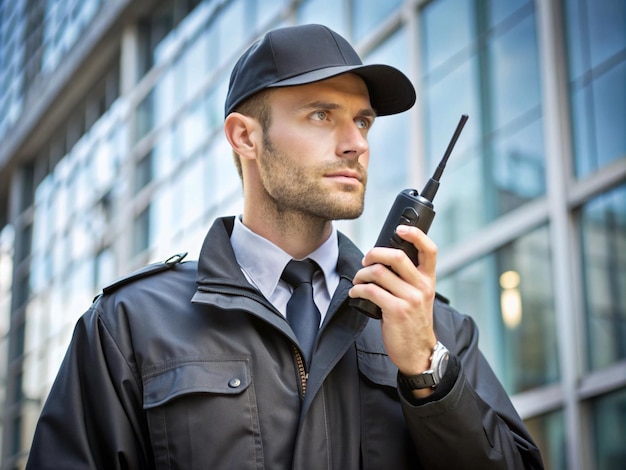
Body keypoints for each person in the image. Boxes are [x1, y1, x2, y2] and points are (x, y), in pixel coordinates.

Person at [27, 24, 544, 469]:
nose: (356, 143)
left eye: (362, 120)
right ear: (245, 137)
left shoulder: (434, 327)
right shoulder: (129, 326)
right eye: (322, 115)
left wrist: (429, 373)